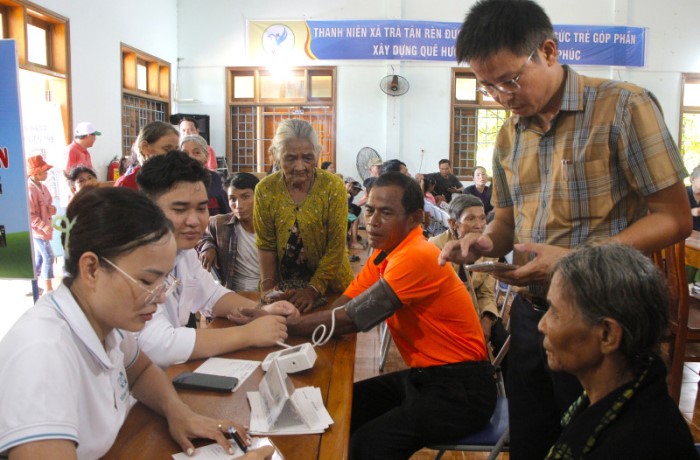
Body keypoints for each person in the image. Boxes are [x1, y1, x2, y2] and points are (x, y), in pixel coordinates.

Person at [440, 1, 692, 458]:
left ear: (549, 51)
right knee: (533, 444)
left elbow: (674, 218)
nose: (502, 96)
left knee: (603, 444)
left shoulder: (621, 107)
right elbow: (507, 220)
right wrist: (483, 241)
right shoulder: (509, 135)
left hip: (602, 328)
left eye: (510, 79)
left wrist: (575, 260)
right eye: (488, 86)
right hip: (534, 316)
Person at [233, 173, 495, 459]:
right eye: (369, 210)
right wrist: (284, 316)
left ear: (415, 218)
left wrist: (278, 324)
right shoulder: (384, 254)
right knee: (340, 407)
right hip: (428, 378)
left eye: (386, 213)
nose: (373, 221)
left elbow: (351, 319)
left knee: (367, 445)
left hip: (462, 392)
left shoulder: (416, 255)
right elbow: (343, 307)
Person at [0, 186, 273, 460]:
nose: (161, 295)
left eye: (164, 280)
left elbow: (140, 371)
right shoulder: (42, 354)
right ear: (92, 269)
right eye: (146, 281)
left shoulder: (107, 324)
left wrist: (178, 412)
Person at [136, 150, 297, 368]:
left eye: (201, 208)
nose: (194, 220)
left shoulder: (183, 254)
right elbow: (158, 345)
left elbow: (211, 295)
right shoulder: (132, 262)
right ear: (148, 209)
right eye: (180, 209)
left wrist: (260, 311)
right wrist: (246, 335)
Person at [540, 243, 697, 459]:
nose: (542, 325)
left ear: (607, 334)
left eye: (555, 313)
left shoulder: (640, 443)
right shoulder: (623, 397)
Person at [254, 119, 354, 312]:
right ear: (276, 156)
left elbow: (336, 246)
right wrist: (268, 290)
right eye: (290, 158)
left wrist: (313, 288)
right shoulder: (265, 190)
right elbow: (266, 245)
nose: (300, 166)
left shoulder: (333, 187)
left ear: (317, 154)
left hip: (333, 289)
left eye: (307, 157)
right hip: (286, 292)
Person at [429, 194, 501, 344]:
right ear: (453, 223)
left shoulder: (489, 250)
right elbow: (435, 296)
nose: (479, 225)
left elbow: (486, 292)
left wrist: (487, 319)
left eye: (482, 218)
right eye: (471, 218)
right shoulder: (436, 247)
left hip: (476, 310)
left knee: (504, 340)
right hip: (444, 317)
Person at [196, 172, 261, 291]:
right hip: (233, 294)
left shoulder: (274, 226)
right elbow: (202, 236)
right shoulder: (220, 223)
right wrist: (207, 247)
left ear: (259, 196)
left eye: (245, 197)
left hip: (269, 293)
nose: (238, 205)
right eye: (232, 199)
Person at [115, 121, 179, 190]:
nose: (174, 155)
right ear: (145, 147)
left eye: (176, 150)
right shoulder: (126, 185)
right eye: (167, 149)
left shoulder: (176, 179)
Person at [27, 155, 57, 294]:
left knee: (39, 258)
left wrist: (52, 209)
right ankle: (48, 288)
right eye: (44, 171)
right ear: (36, 173)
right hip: (39, 231)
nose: (47, 173)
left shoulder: (43, 187)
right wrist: (42, 226)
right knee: (49, 256)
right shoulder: (30, 189)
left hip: (44, 229)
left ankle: (33, 286)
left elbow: (50, 204)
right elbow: (30, 214)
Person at [180, 134, 230, 216]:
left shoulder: (217, 180)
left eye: (196, 153)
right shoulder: (172, 181)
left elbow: (227, 214)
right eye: (184, 153)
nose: (190, 157)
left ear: (206, 157)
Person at [344, 177, 364, 250]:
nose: (356, 192)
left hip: (344, 211)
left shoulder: (350, 195)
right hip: (339, 212)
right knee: (355, 220)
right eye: (355, 189)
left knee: (356, 210)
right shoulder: (346, 194)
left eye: (358, 191)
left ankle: (352, 236)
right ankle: (354, 242)